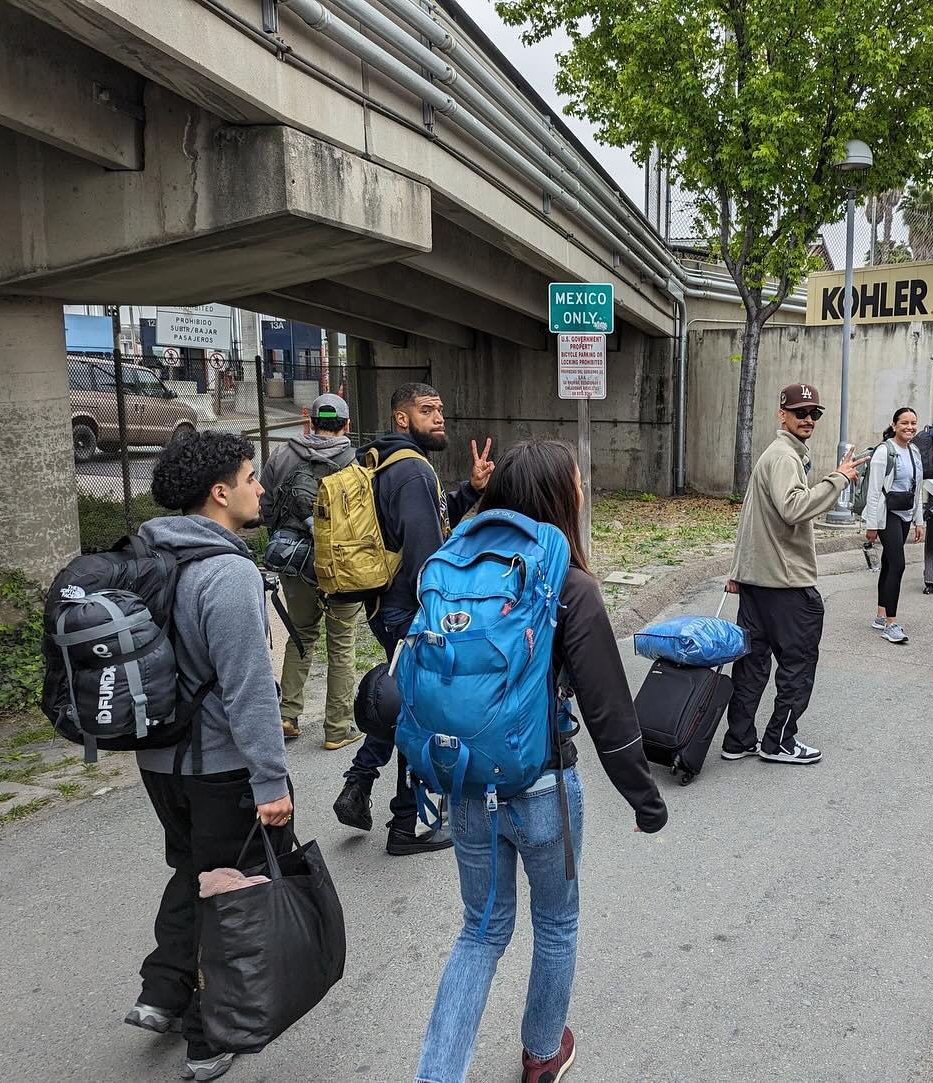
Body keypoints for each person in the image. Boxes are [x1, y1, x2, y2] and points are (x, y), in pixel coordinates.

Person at [413, 440, 667, 1083]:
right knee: (555, 923)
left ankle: (436, 1075)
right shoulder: (567, 583)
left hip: (466, 779)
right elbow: (609, 709)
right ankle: (543, 1052)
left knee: (480, 932)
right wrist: (644, 798)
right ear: (562, 496)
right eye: (578, 483)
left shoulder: (456, 565)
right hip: (542, 785)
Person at [127, 432, 294, 1083]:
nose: (259, 488)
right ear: (220, 492)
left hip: (156, 761)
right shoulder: (227, 572)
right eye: (251, 476)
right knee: (228, 895)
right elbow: (249, 686)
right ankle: (206, 1037)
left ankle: (161, 994)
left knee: (190, 868)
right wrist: (271, 778)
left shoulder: (144, 554)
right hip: (218, 768)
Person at [331, 382, 494, 856]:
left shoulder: (383, 459)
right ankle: (409, 825)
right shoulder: (413, 471)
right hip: (411, 610)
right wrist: (445, 613)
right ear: (403, 418)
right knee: (418, 713)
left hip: (386, 604)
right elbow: (428, 556)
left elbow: (419, 524)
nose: (439, 417)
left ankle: (360, 783)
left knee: (399, 700)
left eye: (440, 408)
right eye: (427, 410)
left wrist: (470, 492)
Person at [719, 383, 866, 766]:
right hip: (786, 584)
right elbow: (792, 509)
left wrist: (738, 570)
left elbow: (751, 515)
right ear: (781, 414)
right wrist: (839, 479)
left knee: (752, 664)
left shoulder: (776, 454)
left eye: (814, 413)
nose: (808, 419)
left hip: (759, 582)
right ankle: (780, 741)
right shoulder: (785, 457)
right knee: (797, 664)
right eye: (800, 412)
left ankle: (739, 739)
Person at [258, 392, 362, 750]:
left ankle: (287, 715)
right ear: (347, 425)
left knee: (300, 634)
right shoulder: (356, 462)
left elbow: (266, 507)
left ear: (310, 421)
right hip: (341, 566)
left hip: (294, 561)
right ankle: (337, 728)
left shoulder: (282, 455)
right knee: (342, 644)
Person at [862, 406, 926, 643]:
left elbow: (917, 488)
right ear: (894, 425)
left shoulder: (915, 451)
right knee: (898, 565)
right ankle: (891, 623)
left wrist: (920, 520)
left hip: (906, 513)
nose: (909, 427)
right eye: (905, 423)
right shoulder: (884, 451)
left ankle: (880, 615)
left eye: (913, 423)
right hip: (886, 514)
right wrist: (871, 525)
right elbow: (874, 490)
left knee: (889, 564)